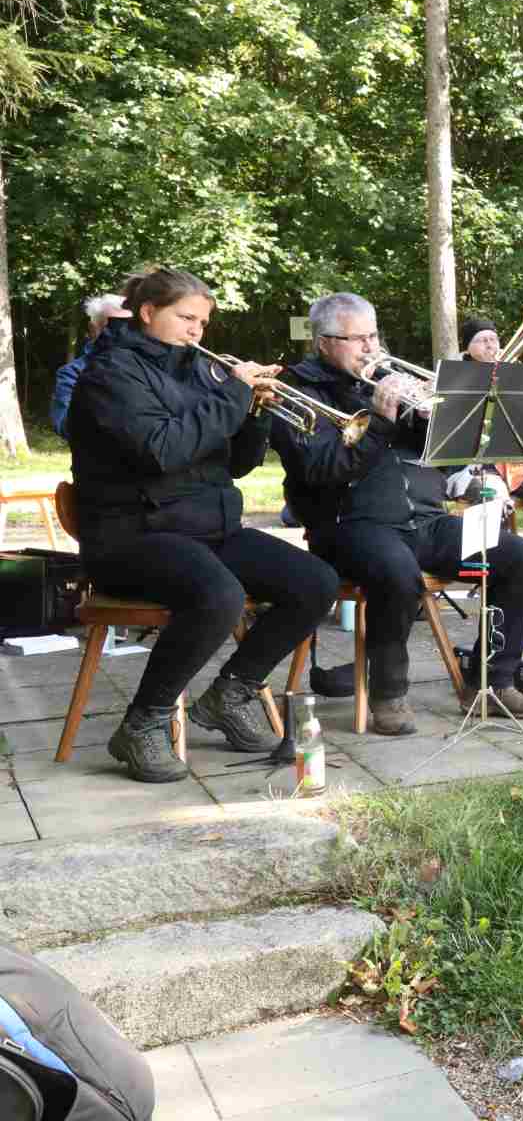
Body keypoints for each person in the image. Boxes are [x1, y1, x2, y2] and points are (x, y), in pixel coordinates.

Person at [65, 267, 340, 782]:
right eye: (186, 317)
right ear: (148, 312)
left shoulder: (200, 371)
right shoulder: (109, 375)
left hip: (206, 528)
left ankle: (229, 695)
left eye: (203, 322)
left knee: (316, 582)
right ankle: (142, 724)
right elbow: (163, 450)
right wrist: (233, 395)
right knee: (219, 595)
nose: (196, 330)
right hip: (131, 535)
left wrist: (255, 412)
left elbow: (236, 465)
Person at [271, 292, 523, 734]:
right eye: (357, 338)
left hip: (425, 520)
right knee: (397, 572)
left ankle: (492, 683)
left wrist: (434, 415)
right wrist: (380, 420)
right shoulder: (298, 390)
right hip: (349, 526)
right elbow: (321, 469)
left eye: (373, 335)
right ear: (324, 342)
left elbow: (447, 458)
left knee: (518, 556)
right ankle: (388, 694)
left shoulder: (386, 378)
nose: (370, 347)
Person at [448, 315, 523, 585]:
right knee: (493, 497)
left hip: (514, 460)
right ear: (468, 347)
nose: (490, 345)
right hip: (475, 464)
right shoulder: (455, 375)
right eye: (482, 340)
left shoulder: (513, 374)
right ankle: (489, 572)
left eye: (494, 339)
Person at [50, 289, 132, 439]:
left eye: (129, 327)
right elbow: (63, 425)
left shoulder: (150, 366)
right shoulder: (72, 373)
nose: (122, 334)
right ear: (93, 329)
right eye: (114, 327)